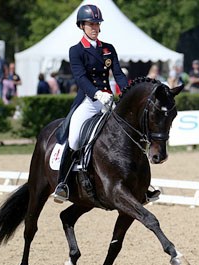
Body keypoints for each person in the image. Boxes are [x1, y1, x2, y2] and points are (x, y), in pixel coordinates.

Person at [54, 4, 160, 203]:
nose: (94, 27)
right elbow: (80, 78)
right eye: (90, 24)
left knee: (134, 134)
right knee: (75, 138)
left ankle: (143, 186)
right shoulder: (76, 51)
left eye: (97, 24)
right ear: (82, 26)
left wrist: (127, 94)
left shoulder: (108, 49)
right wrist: (96, 93)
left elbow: (118, 74)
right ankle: (63, 183)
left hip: (109, 101)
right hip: (88, 101)